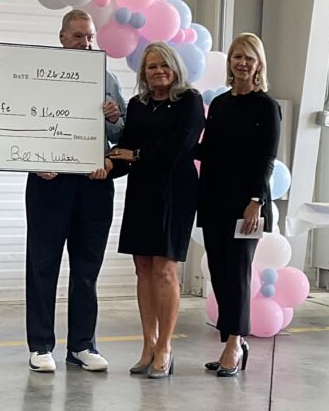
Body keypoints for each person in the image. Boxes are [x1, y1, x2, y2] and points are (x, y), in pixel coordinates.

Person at [25, 10, 126, 373]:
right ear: (62, 38)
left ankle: (82, 345)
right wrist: (35, 161)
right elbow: (19, 125)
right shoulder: (36, 78)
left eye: (90, 37)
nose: (86, 43)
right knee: (42, 266)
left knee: (87, 269)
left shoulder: (108, 79)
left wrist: (114, 120)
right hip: (49, 182)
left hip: (94, 183)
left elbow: (122, 134)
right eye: (79, 36)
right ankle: (40, 346)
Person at [108, 42, 204, 378]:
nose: (159, 71)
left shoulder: (189, 100)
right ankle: (147, 345)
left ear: (175, 67)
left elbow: (182, 144)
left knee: (165, 269)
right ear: (143, 73)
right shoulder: (137, 105)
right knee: (143, 267)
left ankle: (165, 347)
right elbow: (126, 149)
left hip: (175, 190)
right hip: (143, 190)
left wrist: (134, 156)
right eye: (151, 67)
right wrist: (103, 163)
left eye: (164, 65)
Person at [197, 33, 281, 377]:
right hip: (215, 200)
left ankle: (235, 343)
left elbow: (268, 158)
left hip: (247, 205)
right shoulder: (219, 104)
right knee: (220, 274)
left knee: (238, 274)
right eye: (237, 57)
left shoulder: (266, 106)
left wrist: (256, 201)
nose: (242, 63)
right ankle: (230, 341)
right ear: (229, 63)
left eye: (249, 58)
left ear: (258, 64)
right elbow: (206, 150)